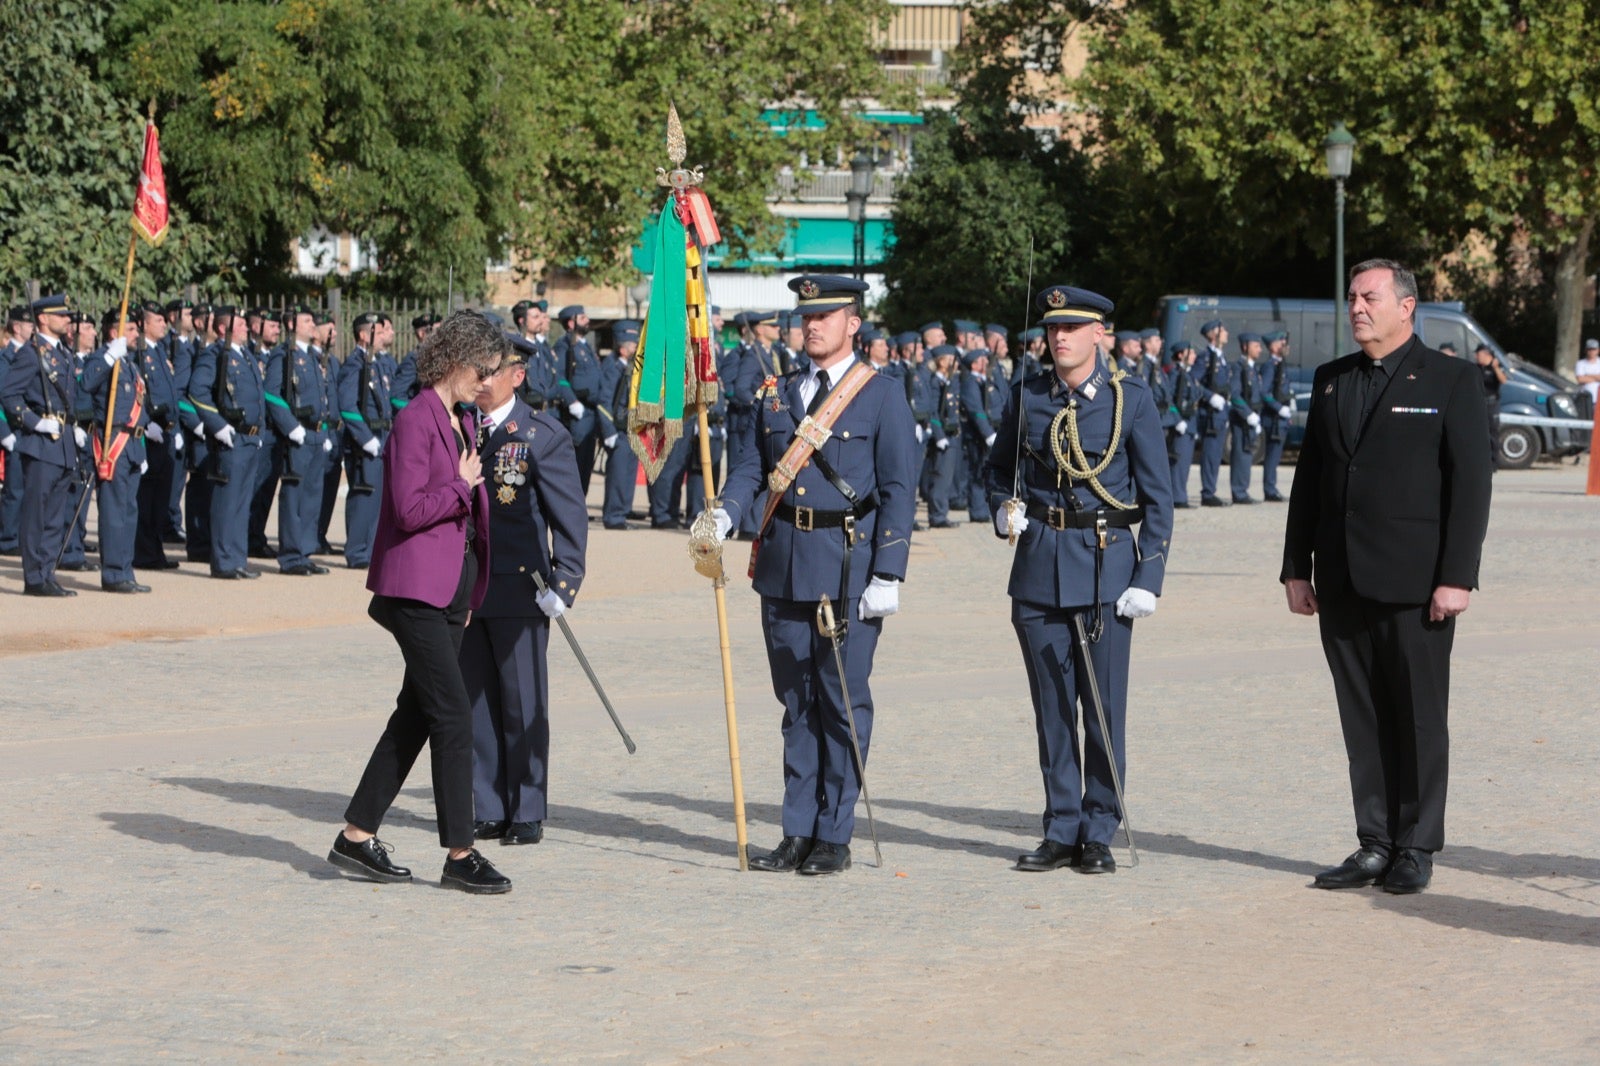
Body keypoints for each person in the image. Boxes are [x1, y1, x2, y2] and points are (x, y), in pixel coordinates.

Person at [1282, 258, 1492, 896]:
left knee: (1419, 717)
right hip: (1342, 579)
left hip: (1416, 583)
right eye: (1350, 298)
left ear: (1407, 307)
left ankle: (1416, 844)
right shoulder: (1330, 380)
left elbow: (1471, 486)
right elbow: (1309, 483)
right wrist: (1296, 568)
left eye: (1369, 297)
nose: (1356, 308)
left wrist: (1456, 577)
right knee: (1362, 715)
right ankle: (1374, 840)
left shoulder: (1452, 379)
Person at [712, 274, 918, 876]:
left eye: (825, 316)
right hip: (783, 563)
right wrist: (726, 511)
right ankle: (796, 829)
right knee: (796, 702)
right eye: (806, 317)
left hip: (847, 565)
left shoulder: (880, 394)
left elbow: (900, 489)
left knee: (842, 701)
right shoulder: (777, 392)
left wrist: (890, 571)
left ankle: (835, 832)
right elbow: (754, 463)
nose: (812, 325)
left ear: (853, 323)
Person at [984, 284, 1174, 875]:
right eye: (1052, 328)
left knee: (1102, 707)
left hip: (1104, 569)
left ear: (1100, 335)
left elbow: (1160, 499)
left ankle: (1099, 828)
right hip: (1040, 565)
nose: (1059, 337)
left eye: (1072, 328)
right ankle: (1061, 826)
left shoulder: (1129, 400)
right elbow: (996, 470)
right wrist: (1001, 508)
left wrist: (1149, 575)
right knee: (1052, 710)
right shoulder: (1028, 397)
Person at [329, 310, 512, 895]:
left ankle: (355, 837)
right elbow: (408, 510)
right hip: (414, 590)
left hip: (452, 586)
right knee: (453, 714)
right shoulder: (415, 418)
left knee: (415, 715)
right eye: (482, 370)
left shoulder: (461, 419)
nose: (487, 382)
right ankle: (461, 852)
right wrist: (461, 485)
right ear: (456, 360)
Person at [462, 337, 588, 846]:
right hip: (470, 586)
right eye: (477, 369)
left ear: (517, 375)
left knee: (521, 699)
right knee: (477, 703)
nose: (481, 380)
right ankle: (489, 805)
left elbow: (569, 515)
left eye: (492, 370)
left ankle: (527, 806)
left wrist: (566, 580)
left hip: (521, 586)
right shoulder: (460, 428)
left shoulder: (542, 435)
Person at [0, 295, 87, 596]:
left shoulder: (62, 353)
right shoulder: (31, 353)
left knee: (54, 515)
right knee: (36, 512)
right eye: (60, 315)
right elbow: (10, 396)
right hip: (40, 442)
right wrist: (34, 422)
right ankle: (34, 577)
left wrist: (73, 427)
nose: (66, 319)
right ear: (42, 319)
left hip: (62, 443)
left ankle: (47, 571)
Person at [79, 310, 151, 593]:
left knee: (129, 512)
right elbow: (87, 383)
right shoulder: (103, 359)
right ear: (114, 332)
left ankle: (125, 569)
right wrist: (109, 357)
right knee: (113, 512)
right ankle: (113, 575)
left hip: (133, 444)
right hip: (113, 443)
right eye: (131, 329)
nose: (136, 335)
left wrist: (142, 449)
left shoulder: (129, 364)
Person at [264, 305, 334, 575]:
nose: (312, 324)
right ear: (292, 325)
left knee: (312, 496)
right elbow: (271, 394)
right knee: (294, 497)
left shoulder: (311, 357)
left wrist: (324, 431)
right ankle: (291, 556)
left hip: (316, 434)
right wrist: (290, 426)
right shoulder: (284, 355)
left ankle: (304, 551)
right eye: (306, 320)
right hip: (299, 434)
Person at [553, 305, 602, 494]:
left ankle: (580, 505)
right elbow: (560, 377)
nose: (587, 320)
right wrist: (572, 401)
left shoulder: (584, 346)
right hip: (577, 415)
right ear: (571, 322)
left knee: (586, 464)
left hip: (591, 412)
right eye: (582, 317)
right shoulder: (564, 345)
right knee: (576, 463)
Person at [596, 325, 640, 528]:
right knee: (618, 475)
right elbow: (604, 401)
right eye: (633, 345)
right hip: (617, 429)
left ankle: (622, 512)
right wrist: (609, 431)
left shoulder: (628, 368)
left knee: (628, 473)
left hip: (629, 429)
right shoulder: (612, 367)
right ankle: (613, 516)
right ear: (623, 348)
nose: (636, 348)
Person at [1193, 319, 1232, 506]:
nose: (1226, 332)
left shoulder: (1221, 357)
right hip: (1210, 414)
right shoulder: (1205, 357)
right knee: (1210, 453)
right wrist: (1209, 397)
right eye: (1222, 329)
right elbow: (1194, 381)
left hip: (1221, 412)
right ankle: (1207, 492)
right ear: (1212, 334)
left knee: (1216, 454)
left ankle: (1211, 490)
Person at [1228, 332, 1263, 504]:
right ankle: (1238, 491)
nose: (1260, 349)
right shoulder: (1239, 368)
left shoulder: (1252, 368)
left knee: (1247, 454)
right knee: (1241, 454)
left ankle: (1243, 490)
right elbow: (1234, 395)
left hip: (1252, 416)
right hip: (1242, 418)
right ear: (1245, 347)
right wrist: (1248, 414)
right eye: (1256, 346)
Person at [1258, 330, 1294, 502]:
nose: (1285, 345)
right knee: (1272, 455)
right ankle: (1269, 489)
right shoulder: (1270, 366)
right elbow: (1264, 392)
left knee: (1276, 454)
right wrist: (1279, 408)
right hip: (1272, 419)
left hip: (1280, 418)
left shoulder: (1281, 364)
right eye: (1281, 342)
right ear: (1273, 346)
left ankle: (1271, 487)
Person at [1164, 342, 1201, 507]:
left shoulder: (1188, 374)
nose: (1194, 356)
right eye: (1190, 352)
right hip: (1181, 424)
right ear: (1181, 355)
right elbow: (1169, 399)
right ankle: (1177, 497)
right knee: (1179, 463)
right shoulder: (1175, 374)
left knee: (1185, 463)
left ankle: (1181, 495)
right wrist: (1177, 420)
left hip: (1190, 423)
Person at [1474, 343, 1508, 463]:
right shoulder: (1476, 367)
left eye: (1478, 354)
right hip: (1479, 404)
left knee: (1493, 433)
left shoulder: (1495, 368)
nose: (1476, 356)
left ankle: (1494, 461)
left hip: (1492, 404)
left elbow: (1503, 380)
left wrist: (1496, 368)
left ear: (1485, 354)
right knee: (1478, 432)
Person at [1575, 338, 1600, 404]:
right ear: (1586, 350)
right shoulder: (1580, 363)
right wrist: (1597, 378)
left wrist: (1587, 375)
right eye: (1589, 349)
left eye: (1594, 349)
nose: (1592, 352)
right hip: (1584, 398)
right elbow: (1580, 379)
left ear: (1598, 350)